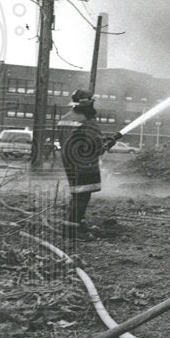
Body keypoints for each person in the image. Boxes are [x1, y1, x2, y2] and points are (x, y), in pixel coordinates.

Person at [57, 89, 114, 239]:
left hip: (70, 160)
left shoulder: (66, 118)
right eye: (92, 101)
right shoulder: (86, 120)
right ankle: (71, 230)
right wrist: (106, 145)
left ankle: (78, 224)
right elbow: (94, 146)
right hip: (84, 163)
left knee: (77, 194)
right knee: (82, 196)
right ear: (87, 103)